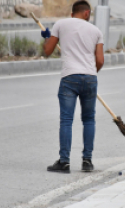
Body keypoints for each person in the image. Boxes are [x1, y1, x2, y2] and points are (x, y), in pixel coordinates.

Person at [41, 0, 104, 173]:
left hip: (69, 77)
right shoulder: (96, 31)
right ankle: (87, 161)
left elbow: (47, 51)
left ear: (72, 13)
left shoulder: (61, 24)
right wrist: (91, 74)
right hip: (90, 77)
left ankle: (64, 162)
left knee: (66, 120)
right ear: (86, 13)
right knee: (89, 119)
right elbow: (100, 60)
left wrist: (47, 37)